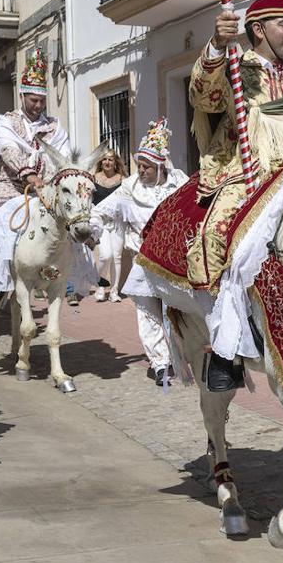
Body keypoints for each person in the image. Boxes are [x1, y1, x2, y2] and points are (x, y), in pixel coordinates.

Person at [173, 0, 283, 389]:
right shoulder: (235, 68)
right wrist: (216, 45)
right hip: (248, 175)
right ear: (259, 30)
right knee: (215, 238)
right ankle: (225, 347)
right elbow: (202, 95)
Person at [99, 119, 187, 384]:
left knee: (177, 312)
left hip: (174, 264)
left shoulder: (180, 185)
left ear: (160, 166)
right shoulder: (130, 189)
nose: (142, 171)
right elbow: (103, 210)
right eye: (139, 166)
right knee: (148, 313)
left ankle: (178, 355)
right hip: (144, 263)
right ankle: (160, 363)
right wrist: (87, 226)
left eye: (147, 167)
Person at [0, 48, 72, 246]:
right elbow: (9, 152)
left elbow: (63, 156)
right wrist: (31, 177)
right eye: (34, 100)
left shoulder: (54, 127)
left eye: (42, 101)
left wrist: (54, 181)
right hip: (12, 186)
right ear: (22, 96)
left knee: (77, 217)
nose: (39, 105)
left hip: (47, 188)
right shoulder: (6, 121)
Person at [92, 151, 126, 301]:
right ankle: (100, 286)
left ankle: (114, 292)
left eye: (110, 160)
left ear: (115, 162)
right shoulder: (93, 179)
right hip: (100, 222)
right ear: (101, 162)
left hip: (117, 222)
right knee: (106, 256)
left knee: (117, 257)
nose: (107, 162)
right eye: (104, 159)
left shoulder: (123, 180)